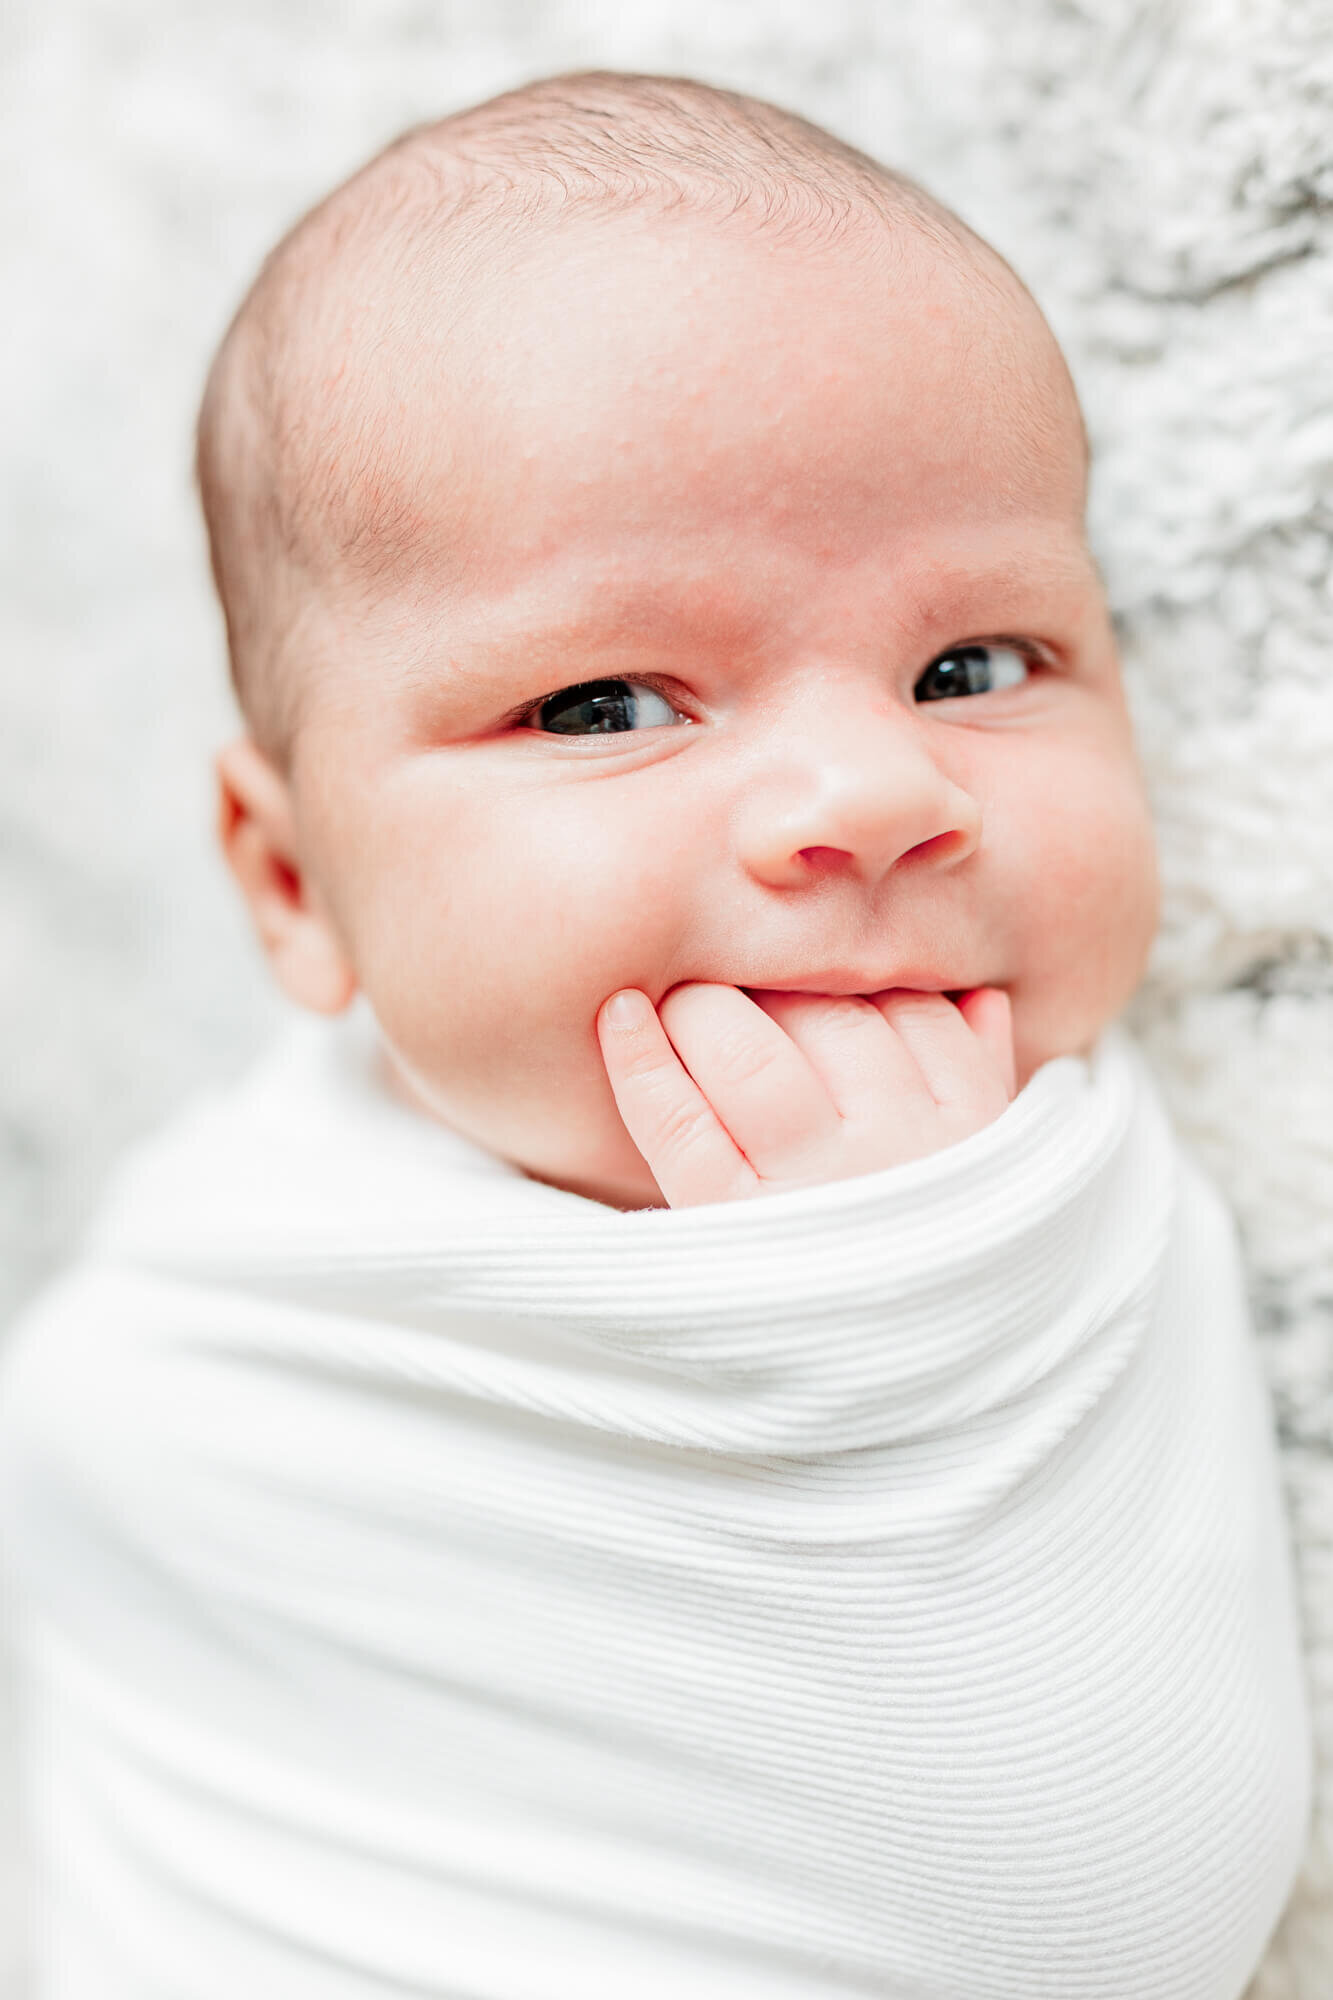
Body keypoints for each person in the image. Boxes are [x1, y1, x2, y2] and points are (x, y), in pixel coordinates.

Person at [0, 71, 1311, 1999]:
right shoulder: (237, 1258)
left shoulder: (1044, 1232)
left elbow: (1114, 1917)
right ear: (292, 889)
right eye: (611, 704)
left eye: (974, 664)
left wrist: (922, 1304)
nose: (871, 791)